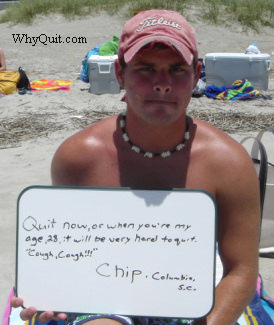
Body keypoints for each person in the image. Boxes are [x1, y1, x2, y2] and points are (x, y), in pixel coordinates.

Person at [11, 9, 260, 325]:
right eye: (145, 68)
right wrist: (54, 293)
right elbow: (69, 253)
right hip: (107, 289)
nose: (162, 84)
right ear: (119, 72)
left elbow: (241, 270)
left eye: (177, 69)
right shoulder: (78, 157)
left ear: (197, 74)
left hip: (191, 288)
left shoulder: (229, 163)